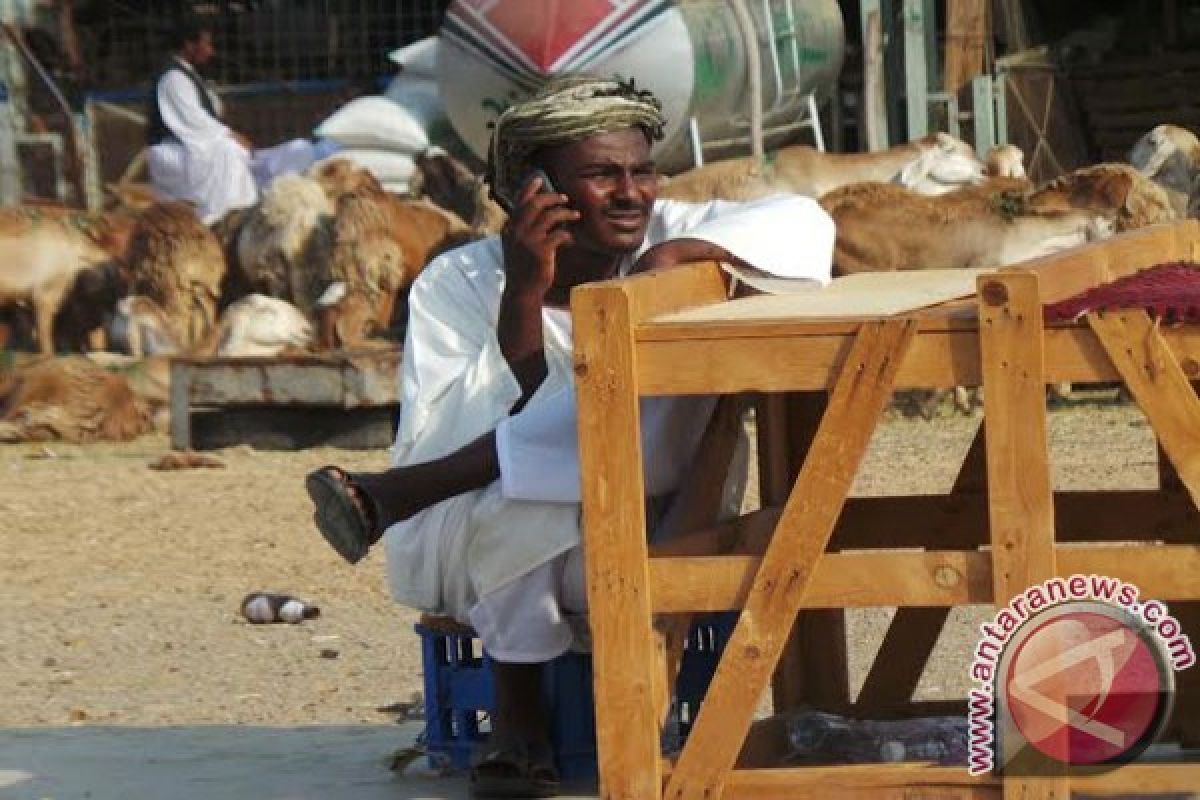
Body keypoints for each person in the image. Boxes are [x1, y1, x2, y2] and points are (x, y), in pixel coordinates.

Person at [304, 77, 835, 798]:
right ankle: (516, 699)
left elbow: (808, 223)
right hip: (479, 533)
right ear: (534, 190)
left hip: (661, 512)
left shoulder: (665, 230)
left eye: (641, 170)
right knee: (537, 491)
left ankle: (513, 706)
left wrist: (678, 258)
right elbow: (460, 423)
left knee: (613, 403)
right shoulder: (456, 283)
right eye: (598, 175)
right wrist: (523, 297)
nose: (630, 194)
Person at [145, 15, 258, 224]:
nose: (211, 50)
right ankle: (219, 218)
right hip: (171, 150)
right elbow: (192, 120)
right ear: (189, 45)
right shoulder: (173, 78)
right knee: (227, 151)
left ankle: (238, 209)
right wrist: (230, 135)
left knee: (235, 152)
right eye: (206, 44)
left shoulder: (188, 74)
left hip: (186, 143)